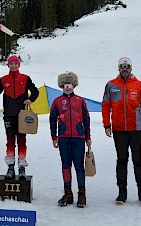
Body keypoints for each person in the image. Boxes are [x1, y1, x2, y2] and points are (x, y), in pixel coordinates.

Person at [102, 57, 141, 206]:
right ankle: (122, 192)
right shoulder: (111, 85)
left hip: (137, 130)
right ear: (118, 68)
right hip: (119, 130)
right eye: (122, 66)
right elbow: (106, 106)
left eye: (127, 66)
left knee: (139, 161)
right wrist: (107, 125)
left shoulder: (140, 85)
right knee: (122, 160)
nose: (125, 68)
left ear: (131, 68)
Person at [0, 55, 39, 180]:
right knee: (10, 141)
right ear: (8, 65)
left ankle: (22, 167)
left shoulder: (25, 78)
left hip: (22, 116)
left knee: (22, 141)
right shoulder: (4, 79)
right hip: (9, 115)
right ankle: (10, 167)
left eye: (16, 63)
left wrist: (30, 99)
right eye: (11, 63)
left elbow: (35, 91)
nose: (14, 66)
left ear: (19, 65)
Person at [50, 72, 91, 208]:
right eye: (65, 85)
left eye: (70, 85)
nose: (67, 87)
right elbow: (52, 120)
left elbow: (86, 119)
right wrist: (54, 137)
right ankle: (68, 193)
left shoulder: (80, 101)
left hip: (79, 138)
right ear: (62, 86)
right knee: (66, 165)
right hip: (63, 138)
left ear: (74, 86)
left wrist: (88, 137)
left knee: (79, 166)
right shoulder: (57, 101)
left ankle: (81, 194)